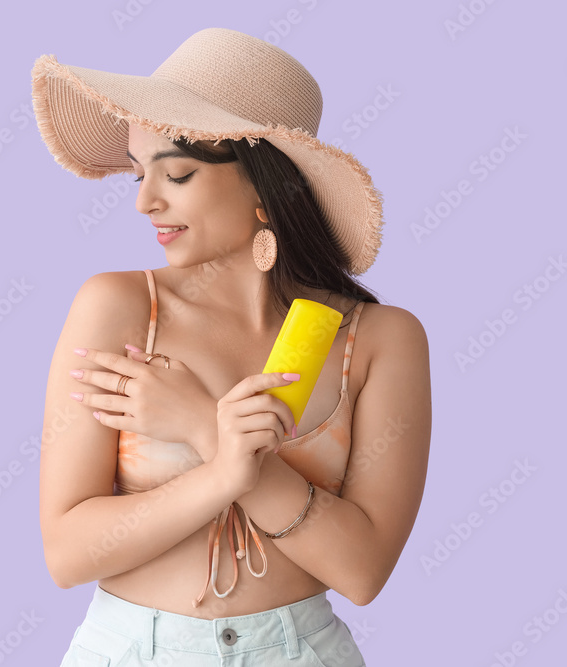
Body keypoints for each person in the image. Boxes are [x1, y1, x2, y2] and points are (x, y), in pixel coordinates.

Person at [33, 28, 431, 666]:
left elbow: (362, 570)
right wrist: (223, 472)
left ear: (265, 183)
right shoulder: (119, 309)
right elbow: (67, 553)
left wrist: (200, 424)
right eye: (139, 174)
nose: (144, 201)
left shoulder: (379, 338)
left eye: (178, 172)